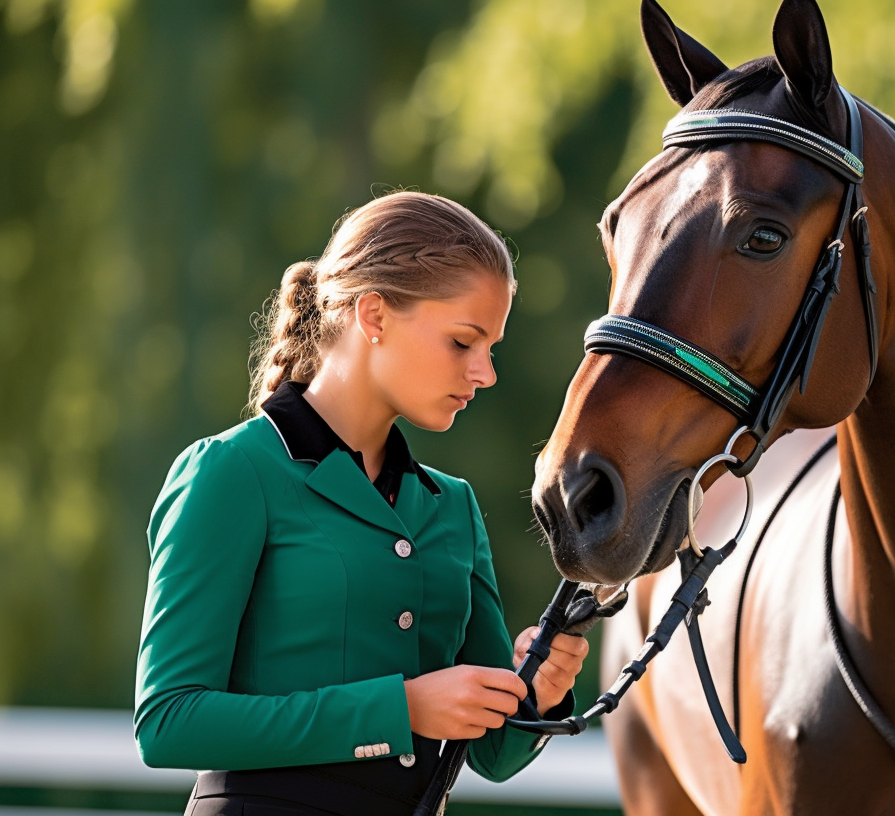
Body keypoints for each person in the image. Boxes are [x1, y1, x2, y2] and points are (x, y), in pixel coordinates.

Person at [133, 191, 588, 815]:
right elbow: (169, 721)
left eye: (492, 348)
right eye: (463, 342)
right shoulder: (232, 472)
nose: (485, 372)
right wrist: (402, 708)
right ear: (373, 315)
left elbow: (491, 754)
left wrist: (539, 692)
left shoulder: (451, 506)